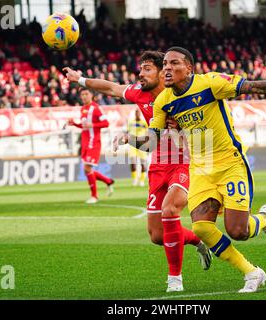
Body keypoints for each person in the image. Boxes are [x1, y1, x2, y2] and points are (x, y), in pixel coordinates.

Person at [137, 46, 266, 293]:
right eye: (165, 65)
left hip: (230, 163)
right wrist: (128, 140)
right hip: (201, 170)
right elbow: (153, 141)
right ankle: (252, 272)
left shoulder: (210, 83)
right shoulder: (164, 101)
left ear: (189, 68)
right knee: (201, 227)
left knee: (238, 231)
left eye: (174, 64)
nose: (168, 69)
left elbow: (254, 86)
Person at [63, 51, 212, 293]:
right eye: (140, 69)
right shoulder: (139, 93)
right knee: (156, 235)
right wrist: (80, 79)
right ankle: (198, 241)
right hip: (158, 164)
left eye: (146, 69)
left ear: (162, 73)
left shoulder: (182, 92)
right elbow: (111, 88)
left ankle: (175, 279)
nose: (140, 74)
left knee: (171, 209)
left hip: (185, 161)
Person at [66, 88, 114, 204]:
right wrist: (74, 124)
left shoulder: (96, 108)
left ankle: (94, 196)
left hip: (94, 142)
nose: (83, 96)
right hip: (85, 142)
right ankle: (108, 181)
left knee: (87, 168)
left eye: (86, 94)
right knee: (87, 169)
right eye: (82, 94)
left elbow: (106, 123)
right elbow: (84, 126)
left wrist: (93, 124)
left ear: (92, 95)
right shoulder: (83, 109)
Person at [128, 109, 148, 186]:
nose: (137, 114)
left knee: (143, 163)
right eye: (136, 113)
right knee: (133, 162)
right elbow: (128, 132)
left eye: (139, 113)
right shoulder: (131, 122)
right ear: (135, 114)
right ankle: (135, 179)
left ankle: (142, 180)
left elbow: (149, 132)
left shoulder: (144, 122)